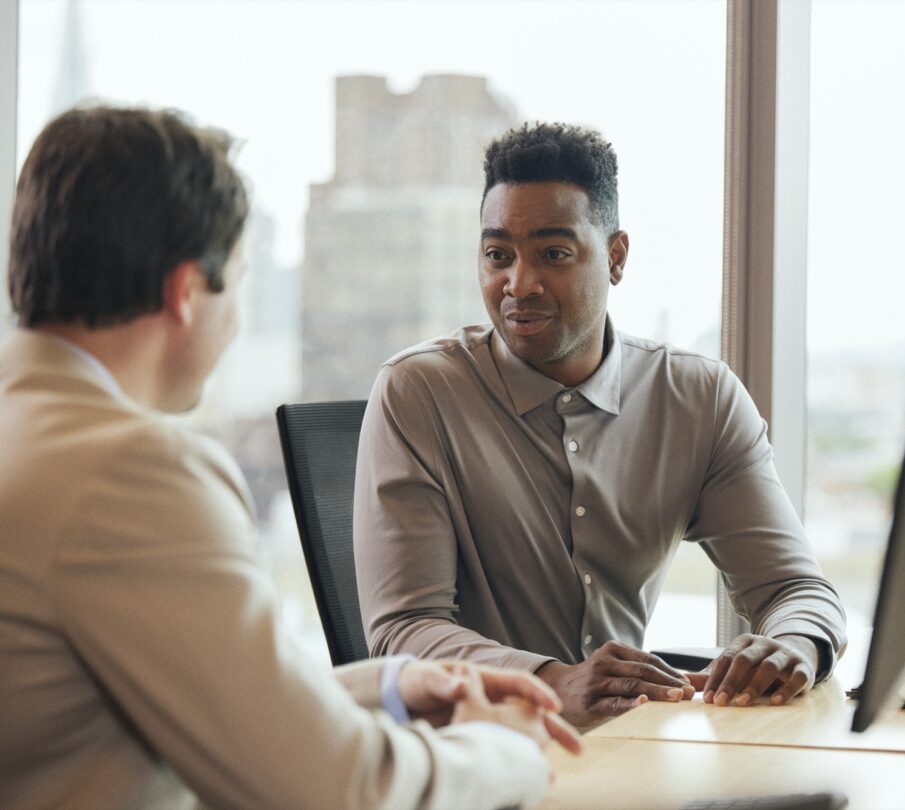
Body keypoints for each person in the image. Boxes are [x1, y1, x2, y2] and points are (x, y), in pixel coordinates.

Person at [0, 106, 579, 810]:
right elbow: (339, 790)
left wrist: (390, 687)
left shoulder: (29, 435)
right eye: (240, 278)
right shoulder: (129, 471)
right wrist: (510, 747)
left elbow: (209, 694)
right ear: (186, 292)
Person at [354, 122, 847, 728]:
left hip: (625, 748)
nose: (519, 284)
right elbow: (403, 629)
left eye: (553, 254)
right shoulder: (419, 391)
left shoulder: (699, 397)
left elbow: (796, 589)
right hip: (472, 756)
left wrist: (795, 644)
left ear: (615, 257)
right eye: (497, 255)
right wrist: (553, 681)